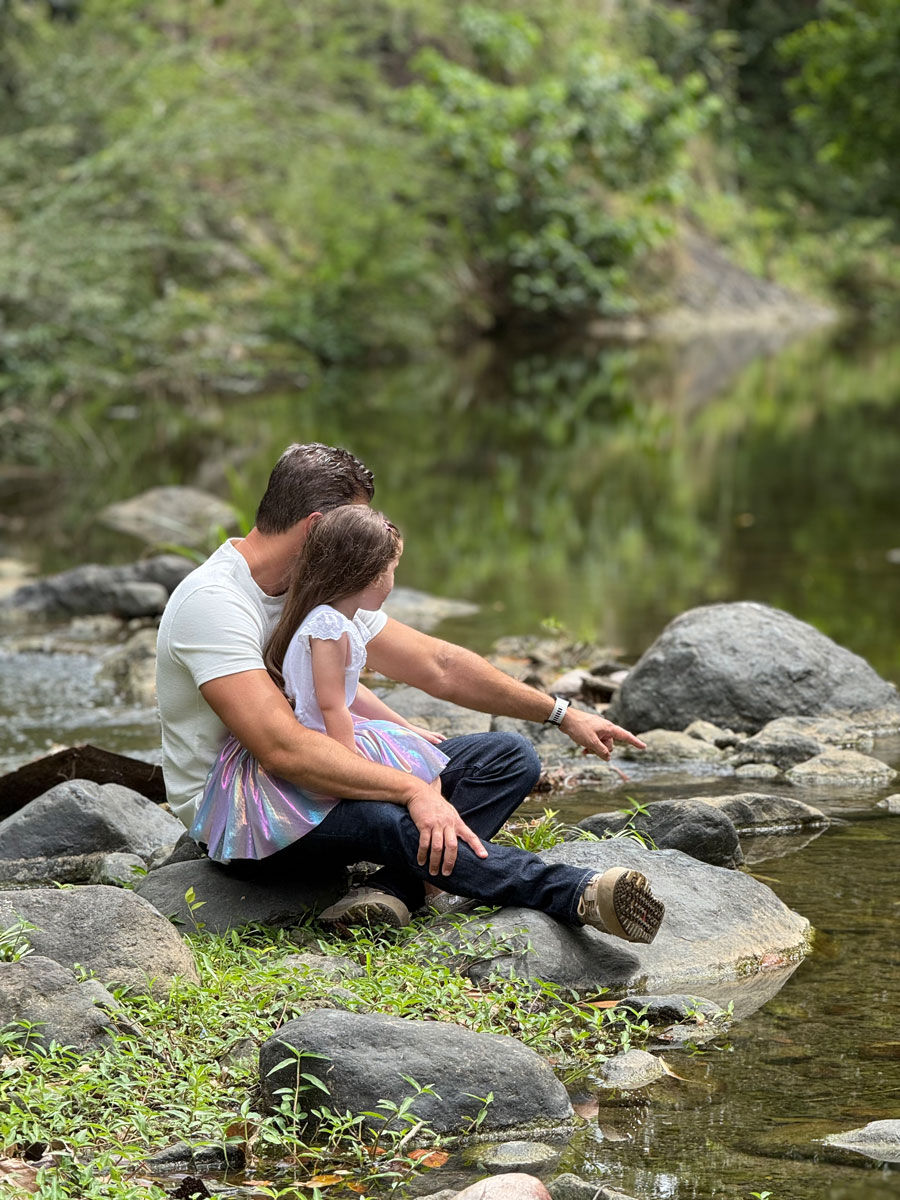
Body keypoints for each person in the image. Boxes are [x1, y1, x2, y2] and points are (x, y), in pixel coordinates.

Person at [156, 442, 664, 942]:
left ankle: (393, 890)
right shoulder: (215, 604)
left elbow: (437, 665)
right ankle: (578, 893)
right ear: (316, 527)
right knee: (391, 813)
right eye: (357, 526)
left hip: (318, 776)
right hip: (247, 812)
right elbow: (282, 748)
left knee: (508, 758)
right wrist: (413, 789)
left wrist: (559, 711)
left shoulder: (317, 588)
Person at [189, 506, 450, 863]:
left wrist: (404, 726)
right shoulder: (329, 627)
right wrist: (349, 763)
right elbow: (332, 704)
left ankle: (426, 860)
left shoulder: (336, 618)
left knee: (425, 762)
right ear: (369, 575)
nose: (393, 582)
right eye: (392, 571)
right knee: (422, 774)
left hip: (328, 726)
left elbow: (350, 690)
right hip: (324, 734)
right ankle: (428, 876)